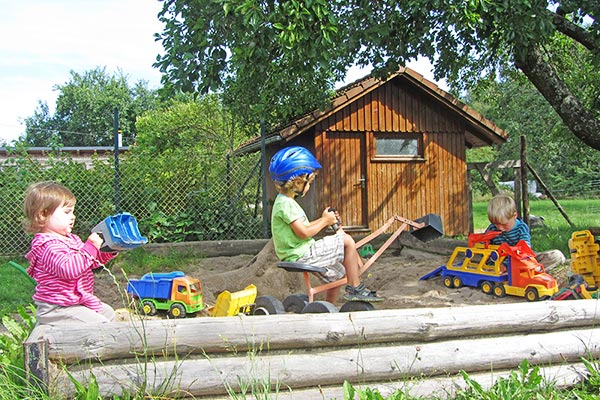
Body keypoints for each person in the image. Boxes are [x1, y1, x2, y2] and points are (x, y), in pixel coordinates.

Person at [269, 146, 383, 303]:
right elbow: (303, 232)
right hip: (301, 254)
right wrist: (325, 221)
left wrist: (325, 218)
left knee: (337, 276)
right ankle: (355, 288)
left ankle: (328, 308)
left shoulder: (286, 202)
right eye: (308, 182)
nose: (309, 186)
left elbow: (303, 229)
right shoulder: (286, 204)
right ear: (297, 183)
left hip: (299, 253)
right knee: (347, 240)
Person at [23, 181, 118, 325]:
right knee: (100, 325)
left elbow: (88, 262)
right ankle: (86, 346)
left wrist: (108, 250)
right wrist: (91, 246)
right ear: (43, 214)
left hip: (74, 302)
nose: (73, 216)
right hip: (57, 308)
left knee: (108, 313)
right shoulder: (48, 245)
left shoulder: (71, 239)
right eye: (67, 212)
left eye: (73, 211)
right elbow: (69, 269)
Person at [485, 194, 566, 270]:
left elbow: (525, 249)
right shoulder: (492, 228)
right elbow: (483, 245)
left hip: (522, 259)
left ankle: (534, 271)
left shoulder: (521, 228)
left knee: (557, 255)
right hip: (499, 262)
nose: (500, 228)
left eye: (504, 224)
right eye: (496, 224)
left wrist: (507, 264)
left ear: (514, 216)